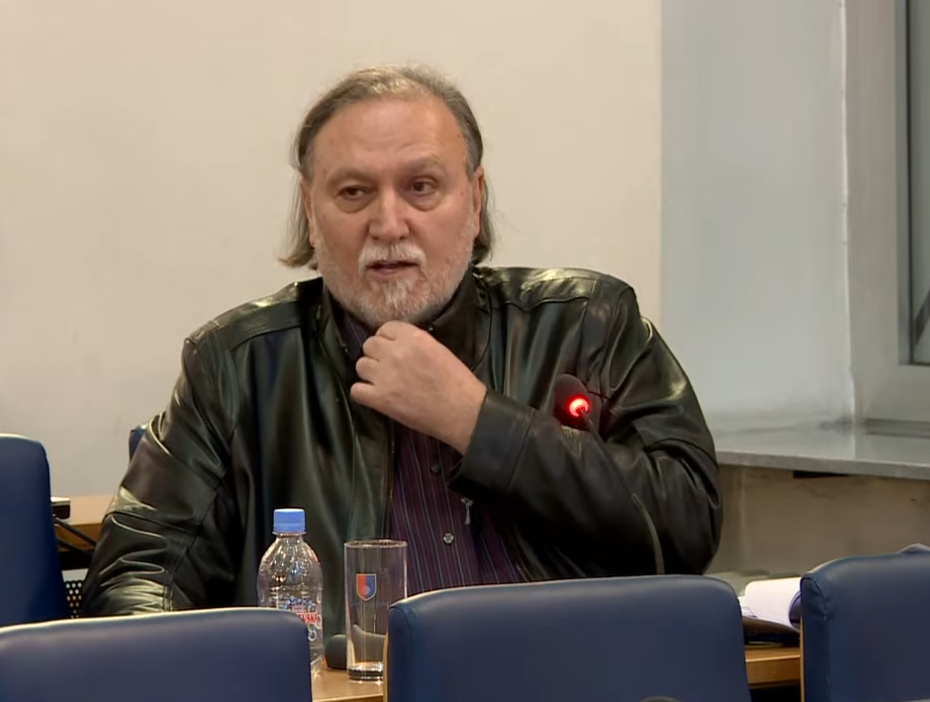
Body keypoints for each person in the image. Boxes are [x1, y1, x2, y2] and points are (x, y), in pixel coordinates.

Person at [81, 65, 723, 635]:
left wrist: (477, 421)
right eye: (354, 193)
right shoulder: (237, 364)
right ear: (310, 210)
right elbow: (136, 576)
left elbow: (687, 525)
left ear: (475, 200)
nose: (388, 226)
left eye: (421, 187)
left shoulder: (587, 323)